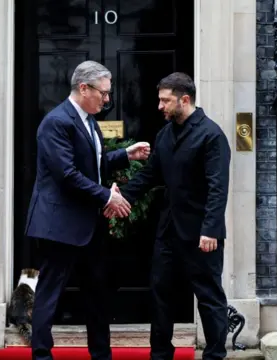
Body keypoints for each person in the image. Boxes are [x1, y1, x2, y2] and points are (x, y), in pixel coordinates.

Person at [25, 60, 151, 360]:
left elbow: (92, 165)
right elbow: (66, 175)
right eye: (103, 93)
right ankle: (41, 355)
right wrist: (108, 197)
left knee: (97, 294)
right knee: (50, 295)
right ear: (84, 88)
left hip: (87, 224)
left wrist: (124, 155)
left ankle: (101, 354)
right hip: (59, 224)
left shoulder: (88, 121)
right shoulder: (57, 122)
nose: (107, 99)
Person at [105, 72, 231, 360]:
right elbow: (151, 175)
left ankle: (214, 355)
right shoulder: (166, 133)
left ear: (184, 100)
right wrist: (121, 198)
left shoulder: (211, 136)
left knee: (209, 298)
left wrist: (211, 230)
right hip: (169, 231)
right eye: (160, 100)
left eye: (165, 100)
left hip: (202, 234)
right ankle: (160, 354)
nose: (160, 106)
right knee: (160, 293)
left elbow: (217, 187)